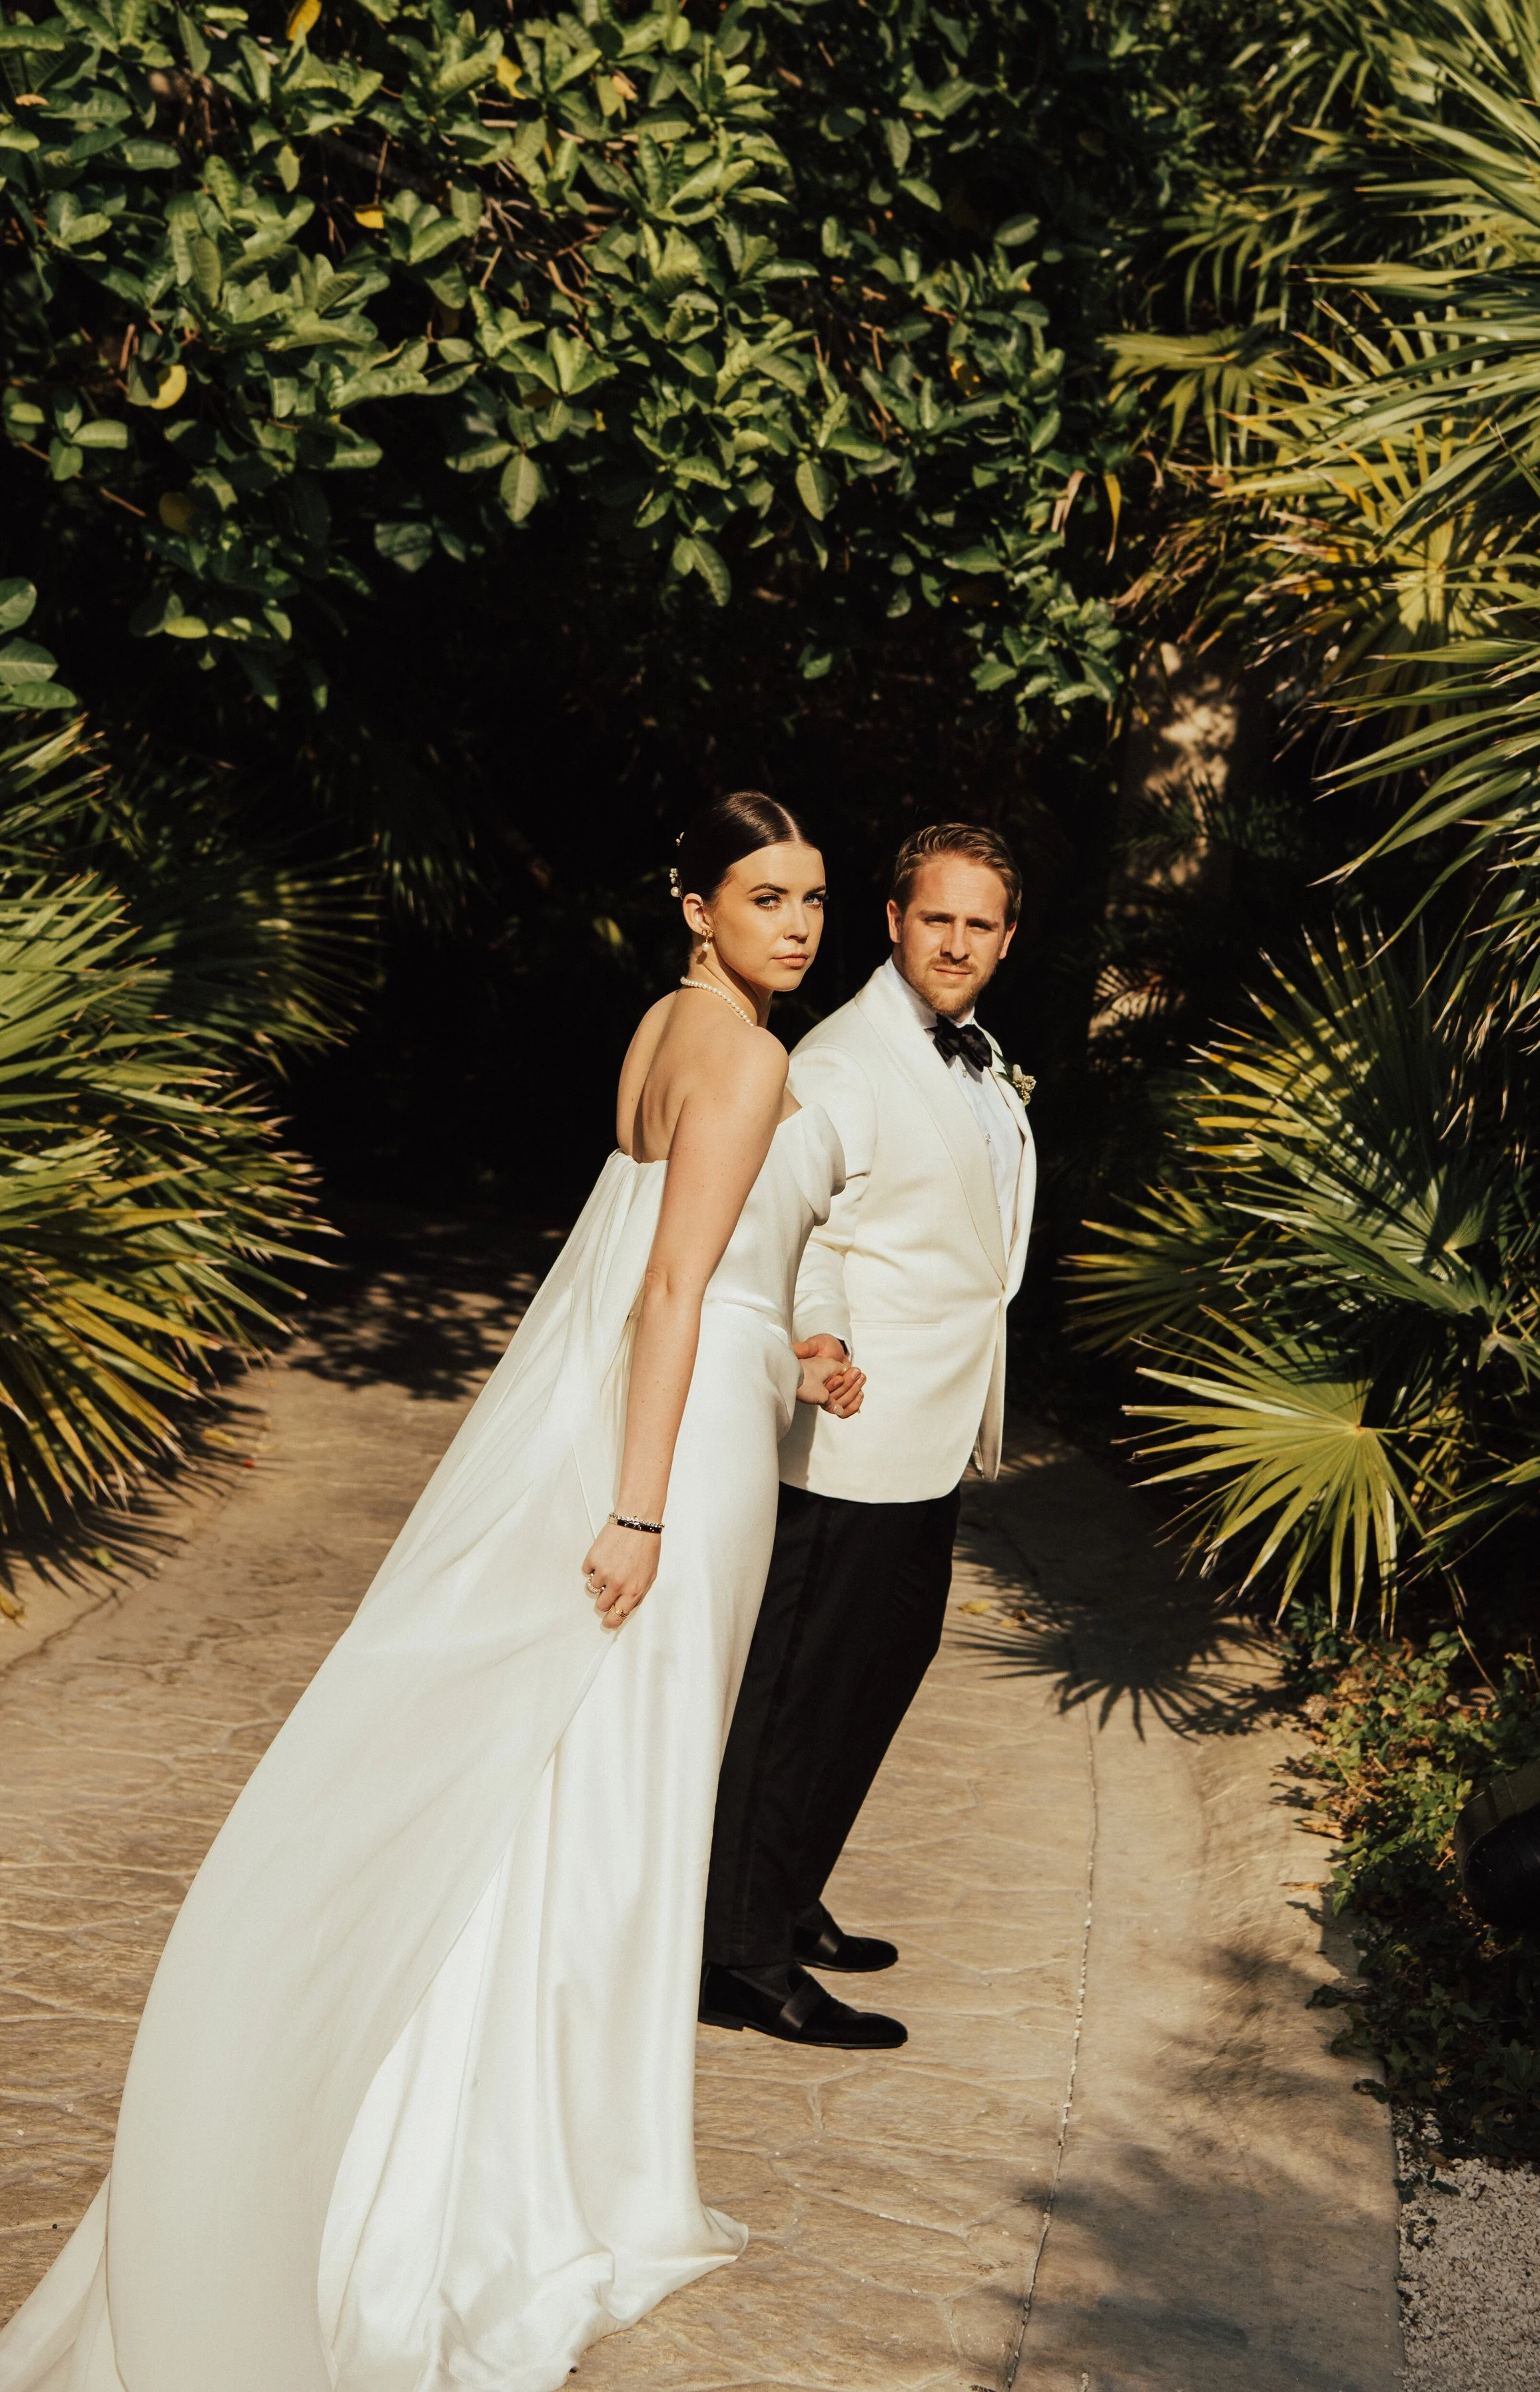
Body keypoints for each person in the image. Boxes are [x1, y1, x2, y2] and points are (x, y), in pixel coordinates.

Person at [0, 793, 867, 2392]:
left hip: (664, 1408)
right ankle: (562, 2171)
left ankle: (542, 2123)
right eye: (766, 896)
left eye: (814, 896)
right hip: (675, 1453)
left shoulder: (663, 1027)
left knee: (576, 1778)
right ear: (696, 906)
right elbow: (676, 1283)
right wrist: (638, 1507)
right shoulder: (743, 1056)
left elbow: (664, 1254)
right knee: (632, 1791)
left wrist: (786, 1341)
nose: (800, 925)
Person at [702, 821, 1034, 2050]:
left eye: (979, 924)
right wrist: (820, 1337)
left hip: (930, 1432)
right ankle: (735, 1951)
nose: (955, 942)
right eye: (933, 918)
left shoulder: (971, 1058)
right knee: (796, 1696)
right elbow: (803, 1225)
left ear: (1008, 938)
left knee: (873, 1679)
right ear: (894, 921)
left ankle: (784, 1900)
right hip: (848, 1433)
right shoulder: (843, 1058)